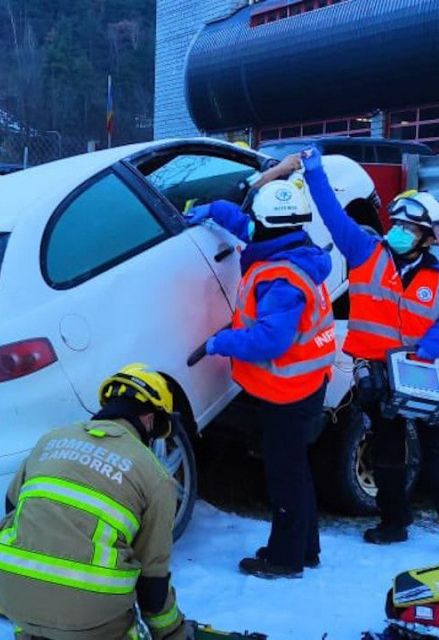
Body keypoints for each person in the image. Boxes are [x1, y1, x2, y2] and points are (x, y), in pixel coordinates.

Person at [300, 147, 439, 562]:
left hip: (431, 375)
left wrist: (429, 349)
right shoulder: (365, 252)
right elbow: (333, 215)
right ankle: (394, 522)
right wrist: (313, 171)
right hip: (380, 376)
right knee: (387, 453)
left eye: (408, 227)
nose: (397, 231)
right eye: (395, 223)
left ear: (429, 237)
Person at [187, 169, 335, 579]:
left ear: (267, 225)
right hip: (305, 384)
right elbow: (249, 226)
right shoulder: (296, 248)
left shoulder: (281, 279)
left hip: (287, 391)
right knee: (296, 470)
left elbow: (270, 340)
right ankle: (305, 548)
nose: (249, 226)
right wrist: (214, 209)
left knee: (285, 476)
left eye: (255, 220)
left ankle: (285, 559)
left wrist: (223, 342)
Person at [0, 364, 195, 640]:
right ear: (148, 420)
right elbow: (152, 581)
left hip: (10, 592)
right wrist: (173, 631)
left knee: (38, 624)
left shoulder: (51, 440)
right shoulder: (155, 476)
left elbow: (12, 508)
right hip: (91, 613)